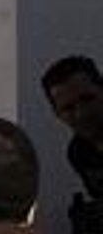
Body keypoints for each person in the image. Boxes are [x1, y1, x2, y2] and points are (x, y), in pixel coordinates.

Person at [41, 54, 103, 199]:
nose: (81, 114)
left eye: (87, 99)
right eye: (68, 108)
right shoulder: (79, 151)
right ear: (57, 114)